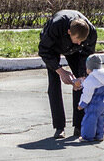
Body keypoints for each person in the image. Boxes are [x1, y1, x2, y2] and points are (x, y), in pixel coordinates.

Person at [38, 9, 97, 138]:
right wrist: (61, 71)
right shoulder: (56, 26)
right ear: (69, 32)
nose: (80, 42)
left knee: (81, 84)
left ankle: (79, 126)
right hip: (53, 48)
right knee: (54, 84)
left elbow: (87, 54)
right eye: (77, 39)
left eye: (82, 40)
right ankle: (59, 127)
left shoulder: (91, 33)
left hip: (76, 52)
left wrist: (82, 75)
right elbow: (43, 50)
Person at [77, 53, 104, 142]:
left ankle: (87, 136)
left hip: (92, 104)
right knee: (100, 119)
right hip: (102, 104)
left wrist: (82, 104)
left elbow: (87, 94)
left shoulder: (90, 80)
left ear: (89, 69)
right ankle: (99, 135)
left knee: (89, 120)